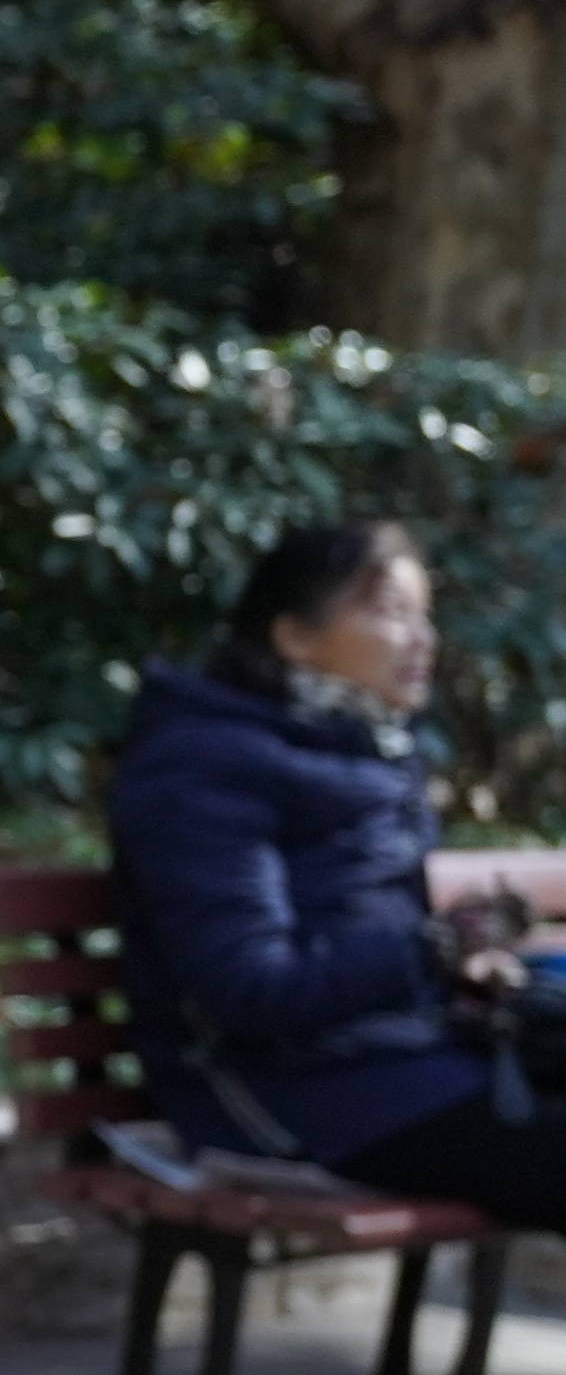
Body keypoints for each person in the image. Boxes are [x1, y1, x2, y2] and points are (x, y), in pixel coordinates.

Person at [111, 518, 556, 1212]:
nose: (423, 640)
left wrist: (467, 967)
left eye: (425, 615)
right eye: (391, 613)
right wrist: (437, 947)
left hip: (411, 1060)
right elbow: (252, 990)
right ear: (294, 636)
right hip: (295, 1096)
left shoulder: (364, 748)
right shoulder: (201, 768)